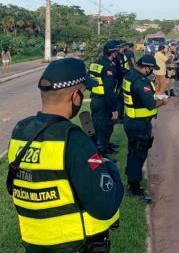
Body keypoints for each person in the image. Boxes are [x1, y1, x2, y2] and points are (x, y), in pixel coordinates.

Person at [7, 58, 123, 252]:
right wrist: (110, 169)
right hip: (75, 245)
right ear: (75, 96)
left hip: (34, 244)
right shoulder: (74, 140)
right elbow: (105, 206)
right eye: (84, 91)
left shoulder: (20, 131)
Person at [122, 55, 169, 201]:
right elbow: (150, 104)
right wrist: (163, 102)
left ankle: (131, 177)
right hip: (140, 124)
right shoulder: (141, 82)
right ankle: (134, 187)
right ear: (146, 68)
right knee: (139, 153)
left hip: (130, 120)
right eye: (151, 69)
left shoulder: (129, 76)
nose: (151, 72)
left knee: (133, 151)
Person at [88, 41, 119, 157]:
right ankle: (103, 149)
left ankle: (105, 145)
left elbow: (89, 83)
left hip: (95, 98)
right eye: (115, 52)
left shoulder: (95, 64)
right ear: (112, 53)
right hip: (104, 100)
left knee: (98, 124)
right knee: (104, 125)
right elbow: (109, 90)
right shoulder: (107, 67)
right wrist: (113, 109)